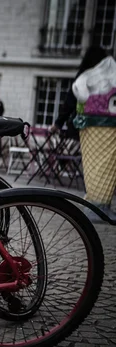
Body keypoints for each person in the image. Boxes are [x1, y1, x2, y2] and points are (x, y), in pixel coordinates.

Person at [69, 46, 116, 222]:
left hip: (89, 125)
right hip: (101, 124)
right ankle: (99, 207)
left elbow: (74, 98)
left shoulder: (85, 77)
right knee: (103, 165)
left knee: (97, 165)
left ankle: (100, 206)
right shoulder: (99, 76)